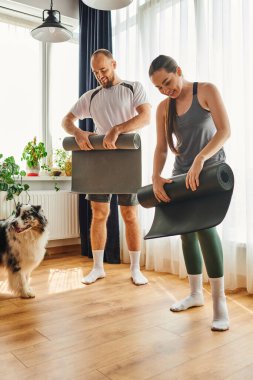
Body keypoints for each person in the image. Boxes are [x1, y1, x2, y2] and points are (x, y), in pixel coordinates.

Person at [149, 55, 231, 331]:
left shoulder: (206, 90)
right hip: (181, 176)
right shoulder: (163, 108)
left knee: (206, 228)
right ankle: (196, 294)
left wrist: (201, 158)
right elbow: (161, 147)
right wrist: (156, 177)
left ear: (179, 72)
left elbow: (224, 130)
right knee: (186, 232)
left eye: (168, 82)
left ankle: (220, 302)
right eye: (159, 87)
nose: (165, 90)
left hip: (209, 173)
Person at [62, 49, 151, 286]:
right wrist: (79, 132)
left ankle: (135, 269)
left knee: (129, 213)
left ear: (114, 64)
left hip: (127, 156)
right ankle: (98, 268)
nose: (100, 75)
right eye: (95, 72)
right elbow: (66, 121)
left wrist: (118, 128)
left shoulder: (133, 87)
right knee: (99, 213)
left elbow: (145, 117)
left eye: (103, 70)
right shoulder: (90, 96)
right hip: (100, 158)